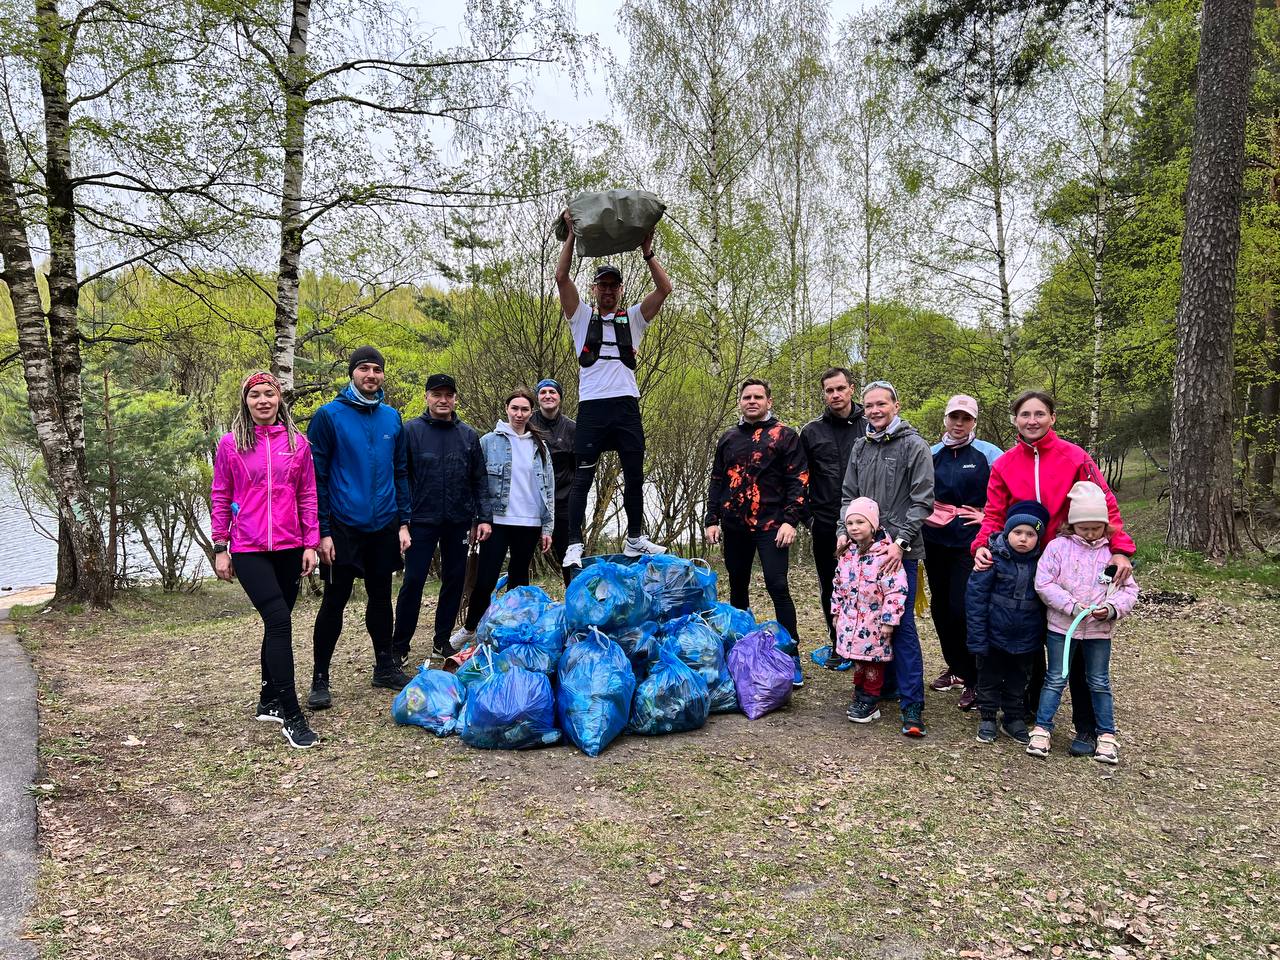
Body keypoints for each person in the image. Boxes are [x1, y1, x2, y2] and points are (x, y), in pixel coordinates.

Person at [971, 390, 1136, 756]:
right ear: (1015, 420)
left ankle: (1087, 726)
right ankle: (1027, 711)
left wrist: (1121, 549)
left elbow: (1105, 502)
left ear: (1052, 418)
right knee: (1032, 635)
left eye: (1039, 414)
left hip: (1074, 557)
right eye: (1025, 414)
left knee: (1079, 639)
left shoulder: (1075, 457)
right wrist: (982, 544)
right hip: (1024, 562)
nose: (1032, 420)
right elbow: (995, 512)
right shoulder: (1005, 464)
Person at [210, 371, 320, 749]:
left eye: (268, 394)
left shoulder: (297, 443)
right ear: (246, 401)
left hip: (290, 546)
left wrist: (311, 543)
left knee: (277, 624)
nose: (262, 401)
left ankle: (268, 698)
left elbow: (307, 493)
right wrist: (220, 546)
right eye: (255, 395)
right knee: (278, 620)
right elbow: (220, 494)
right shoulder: (231, 444)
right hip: (248, 546)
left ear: (279, 399)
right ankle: (292, 715)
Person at [555, 214, 673, 566]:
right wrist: (572, 236)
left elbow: (665, 289)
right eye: (602, 285)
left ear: (620, 290)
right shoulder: (580, 317)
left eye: (613, 286)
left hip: (626, 406)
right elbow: (561, 277)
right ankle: (574, 543)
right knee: (583, 477)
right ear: (594, 289)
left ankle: (635, 538)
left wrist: (648, 253)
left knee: (635, 474)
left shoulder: (633, 318)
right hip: (592, 407)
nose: (607, 290)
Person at [307, 346, 412, 709]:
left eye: (377, 370)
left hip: (383, 523)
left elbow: (401, 472)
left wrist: (403, 522)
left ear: (383, 375)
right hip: (342, 526)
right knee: (334, 601)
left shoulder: (392, 418)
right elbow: (315, 478)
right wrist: (322, 531)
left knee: (382, 597)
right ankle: (320, 677)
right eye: (364, 369)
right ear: (352, 373)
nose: (371, 375)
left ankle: (384, 666)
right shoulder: (328, 416)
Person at [838, 380, 934, 737]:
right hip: (862, 551)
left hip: (898, 552)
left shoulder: (914, 446)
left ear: (895, 405)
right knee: (866, 618)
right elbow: (848, 495)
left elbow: (923, 499)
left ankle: (912, 704)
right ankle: (881, 689)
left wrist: (901, 542)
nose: (876, 410)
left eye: (882, 404)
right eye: (870, 405)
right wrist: (843, 532)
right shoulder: (861, 447)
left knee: (901, 623)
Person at [705, 379, 810, 686]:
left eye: (758, 397)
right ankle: (741, 654)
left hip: (772, 525)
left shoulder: (786, 436)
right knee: (738, 588)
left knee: (777, 585)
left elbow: (799, 480)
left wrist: (792, 520)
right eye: (747, 397)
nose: (752, 401)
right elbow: (716, 480)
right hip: (735, 525)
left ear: (769, 401)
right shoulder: (729, 438)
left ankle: (791, 656)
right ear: (740, 402)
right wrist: (712, 519)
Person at [1028, 482, 1139, 764]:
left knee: (1099, 681)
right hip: (1061, 629)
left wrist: (1111, 609)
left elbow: (1129, 590)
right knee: (1055, 678)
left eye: (1096, 528)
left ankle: (1106, 735)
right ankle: (1042, 729)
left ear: (1105, 525)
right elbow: (1044, 583)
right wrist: (1072, 606)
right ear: (1072, 525)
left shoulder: (1112, 556)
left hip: (1099, 632)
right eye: (1083, 528)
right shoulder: (1057, 547)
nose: (1090, 534)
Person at [392, 373, 491, 663]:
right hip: (421, 520)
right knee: (413, 581)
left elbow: (479, 480)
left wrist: (483, 517)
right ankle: (400, 647)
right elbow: (400, 476)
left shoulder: (468, 435)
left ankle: (441, 642)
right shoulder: (410, 431)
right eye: (437, 394)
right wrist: (402, 521)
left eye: (448, 395)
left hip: (458, 520)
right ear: (427, 397)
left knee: (454, 581)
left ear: (455, 398)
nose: (443, 400)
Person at [453, 388, 555, 642]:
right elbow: (477, 483)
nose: (519, 414)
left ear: (531, 412)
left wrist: (547, 527)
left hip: (529, 522)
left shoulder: (539, 445)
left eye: (524, 409)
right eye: (515, 408)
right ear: (506, 409)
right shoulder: (489, 441)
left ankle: (514, 630)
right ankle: (469, 628)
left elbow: (548, 488)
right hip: (497, 521)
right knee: (485, 579)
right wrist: (478, 520)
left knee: (519, 580)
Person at [923, 394, 1003, 709]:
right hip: (933, 539)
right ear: (945, 419)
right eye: (954, 417)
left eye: (965, 419)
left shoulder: (989, 453)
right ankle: (955, 666)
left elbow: (1007, 492)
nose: (959, 424)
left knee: (963, 608)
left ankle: (975, 678)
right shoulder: (931, 453)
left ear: (974, 421)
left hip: (971, 541)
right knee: (941, 608)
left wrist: (988, 517)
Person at [964, 500, 1051, 746]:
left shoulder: (1043, 564)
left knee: (1018, 680)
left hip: (1026, 637)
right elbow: (976, 600)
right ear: (1006, 532)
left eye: (1030, 534)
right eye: (1017, 532)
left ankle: (1013, 717)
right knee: (989, 677)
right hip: (994, 634)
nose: (1023, 539)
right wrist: (978, 638)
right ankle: (988, 716)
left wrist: (1040, 637)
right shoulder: (991, 559)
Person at [799, 367, 868, 670]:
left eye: (841, 388)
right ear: (824, 394)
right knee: (832, 585)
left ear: (852, 389)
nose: (835, 395)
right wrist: (809, 520)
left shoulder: (871, 426)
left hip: (868, 524)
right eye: (829, 390)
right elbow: (797, 479)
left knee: (869, 587)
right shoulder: (811, 432)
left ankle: (868, 645)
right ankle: (839, 643)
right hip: (826, 522)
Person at [833, 497, 908, 724]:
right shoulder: (847, 554)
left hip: (874, 620)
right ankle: (860, 693)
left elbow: (896, 590)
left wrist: (889, 620)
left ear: (873, 524)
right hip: (850, 618)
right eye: (851, 523)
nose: (855, 528)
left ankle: (871, 699)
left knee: (873, 661)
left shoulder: (885, 554)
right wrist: (836, 612)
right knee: (858, 660)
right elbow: (838, 585)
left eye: (860, 522)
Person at [531, 378, 577, 583]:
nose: (548, 396)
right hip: (529, 502)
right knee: (521, 556)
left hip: (563, 503)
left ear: (560, 397)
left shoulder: (572, 428)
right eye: (543, 392)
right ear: (537, 398)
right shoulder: (527, 423)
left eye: (552, 392)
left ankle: (577, 604)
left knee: (570, 558)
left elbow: (579, 469)